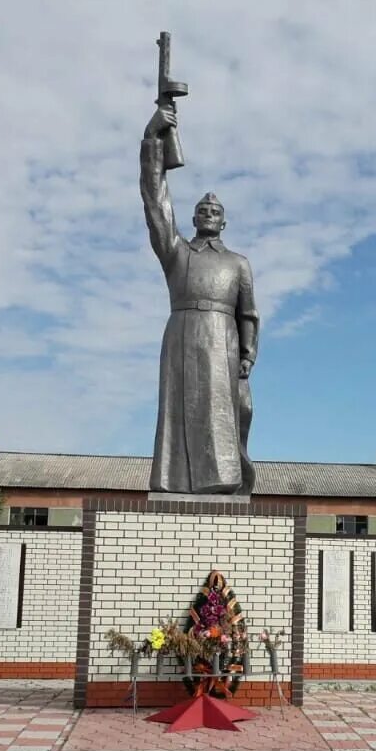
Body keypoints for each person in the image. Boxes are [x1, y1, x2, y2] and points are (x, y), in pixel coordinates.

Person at [141, 104, 258, 495]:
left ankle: (222, 479)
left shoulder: (238, 263)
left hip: (222, 338)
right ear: (192, 218)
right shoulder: (177, 253)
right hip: (181, 334)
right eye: (202, 209)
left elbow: (249, 315)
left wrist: (248, 355)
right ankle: (174, 482)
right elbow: (156, 203)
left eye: (215, 211)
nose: (208, 213)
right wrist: (152, 139)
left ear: (223, 222)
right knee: (179, 410)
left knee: (221, 412)